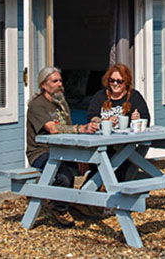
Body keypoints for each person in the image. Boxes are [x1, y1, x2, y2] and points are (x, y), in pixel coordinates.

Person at [26, 66, 99, 227]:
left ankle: (80, 198)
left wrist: (80, 152)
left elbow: (68, 130)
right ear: (44, 85)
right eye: (55, 81)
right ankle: (59, 208)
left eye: (60, 80)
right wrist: (80, 129)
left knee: (98, 163)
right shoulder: (37, 105)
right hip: (41, 152)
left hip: (63, 150)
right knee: (65, 177)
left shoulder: (61, 101)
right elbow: (52, 128)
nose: (60, 84)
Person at [86, 63, 150, 181]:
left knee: (123, 169)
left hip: (124, 146)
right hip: (102, 145)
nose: (115, 84)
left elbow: (146, 119)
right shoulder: (100, 96)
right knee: (99, 168)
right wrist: (104, 121)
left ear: (126, 82)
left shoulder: (134, 96)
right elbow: (91, 116)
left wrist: (138, 119)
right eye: (112, 81)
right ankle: (86, 194)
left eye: (119, 81)